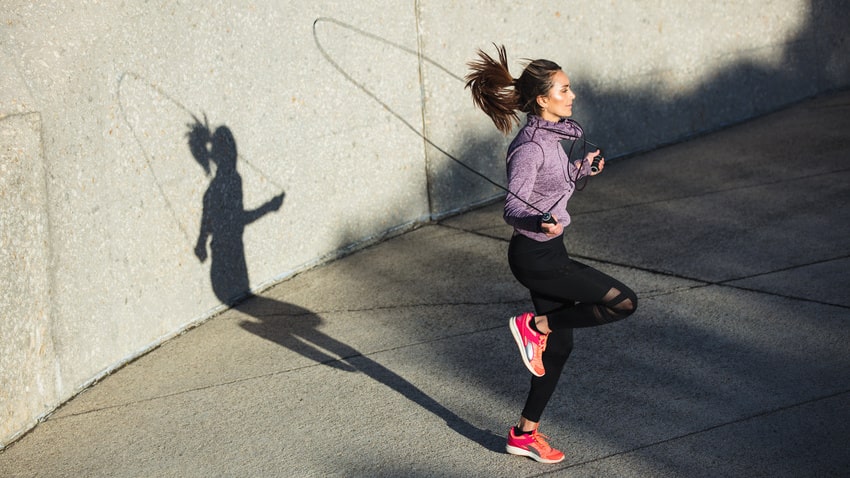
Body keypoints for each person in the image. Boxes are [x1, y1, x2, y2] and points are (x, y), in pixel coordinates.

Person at [465, 45, 638, 464]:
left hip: (548, 252)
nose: (572, 95)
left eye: (570, 87)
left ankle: (524, 434)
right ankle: (534, 324)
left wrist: (582, 170)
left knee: (559, 351)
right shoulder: (529, 147)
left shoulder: (554, 137)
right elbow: (514, 206)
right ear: (543, 99)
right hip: (537, 258)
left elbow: (551, 184)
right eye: (564, 89)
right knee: (623, 302)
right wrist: (538, 220)